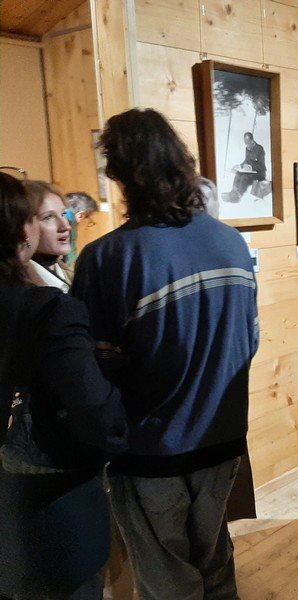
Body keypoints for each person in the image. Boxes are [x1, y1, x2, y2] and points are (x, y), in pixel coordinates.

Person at [72, 108, 259, 599]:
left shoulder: (108, 257)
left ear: (123, 174)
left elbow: (94, 369)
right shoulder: (231, 243)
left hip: (152, 451)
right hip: (223, 442)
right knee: (216, 569)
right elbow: (250, 340)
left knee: (167, 586)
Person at [0, 171, 128, 599]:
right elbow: (94, 409)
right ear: (23, 231)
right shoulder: (48, 309)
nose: (63, 225)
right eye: (44, 216)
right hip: (53, 499)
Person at [23, 180, 73, 292]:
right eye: (48, 217)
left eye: (63, 214)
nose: (65, 226)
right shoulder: (22, 288)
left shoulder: (71, 274)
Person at [229, 132, 267, 201]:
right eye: (245, 143)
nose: (247, 145)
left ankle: (239, 194)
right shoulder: (247, 148)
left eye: (248, 143)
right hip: (251, 172)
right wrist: (240, 166)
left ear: (252, 141)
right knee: (238, 174)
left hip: (259, 174)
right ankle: (233, 191)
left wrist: (251, 167)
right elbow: (246, 160)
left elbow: (261, 166)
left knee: (244, 177)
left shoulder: (259, 149)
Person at [64, 191, 99, 266]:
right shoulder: (69, 224)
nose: (87, 226)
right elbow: (69, 260)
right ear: (80, 215)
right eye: (90, 221)